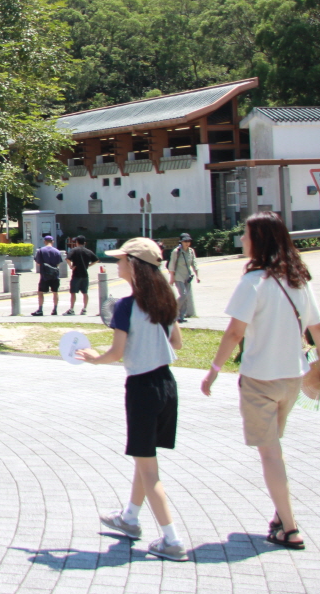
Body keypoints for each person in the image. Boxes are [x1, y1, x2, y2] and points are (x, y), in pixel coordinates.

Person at [201, 212, 320, 551]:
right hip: (292, 378)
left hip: (260, 379)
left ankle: (289, 528)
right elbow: (317, 328)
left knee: (271, 454)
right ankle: (280, 516)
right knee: (275, 448)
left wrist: (214, 369)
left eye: (246, 235)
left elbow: (235, 332)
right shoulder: (298, 279)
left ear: (259, 240)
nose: (242, 240)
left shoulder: (253, 282)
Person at [76, 238, 188, 562]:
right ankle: (129, 518)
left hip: (142, 389)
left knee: (150, 470)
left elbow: (117, 352)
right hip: (167, 385)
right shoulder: (165, 301)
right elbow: (177, 343)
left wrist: (95, 358)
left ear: (135, 266)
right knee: (145, 457)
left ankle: (172, 540)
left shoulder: (126, 306)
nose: (118, 264)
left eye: (122, 259)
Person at [168, 233, 200, 323]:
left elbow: (194, 263)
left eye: (188, 241)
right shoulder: (176, 251)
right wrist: (172, 278)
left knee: (186, 297)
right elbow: (172, 265)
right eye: (185, 241)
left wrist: (197, 276)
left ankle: (181, 317)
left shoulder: (191, 251)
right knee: (183, 294)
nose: (187, 243)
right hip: (178, 276)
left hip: (187, 276)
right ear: (181, 242)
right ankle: (173, 310)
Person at [31, 235, 65, 316]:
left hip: (44, 275)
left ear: (44, 241)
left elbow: (38, 263)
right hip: (55, 275)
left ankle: (40, 310)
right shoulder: (57, 251)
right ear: (52, 242)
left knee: (40, 292)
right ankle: (55, 309)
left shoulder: (41, 251)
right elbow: (58, 264)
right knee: (55, 292)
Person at [67, 236, 98, 317]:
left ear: (76, 242)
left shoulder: (74, 250)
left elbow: (67, 259)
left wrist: (71, 266)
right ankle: (84, 309)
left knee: (73, 292)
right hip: (85, 274)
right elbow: (96, 260)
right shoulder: (88, 251)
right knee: (85, 292)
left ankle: (72, 309)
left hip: (76, 274)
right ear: (84, 243)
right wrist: (88, 265)